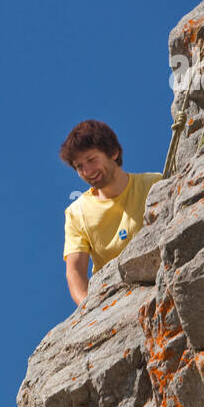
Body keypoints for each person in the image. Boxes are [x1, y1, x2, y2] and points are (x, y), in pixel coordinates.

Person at [59, 119, 162, 306]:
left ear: (113, 152)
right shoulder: (76, 212)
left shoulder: (154, 184)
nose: (87, 171)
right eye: (79, 166)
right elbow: (74, 270)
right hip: (112, 298)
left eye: (91, 160)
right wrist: (88, 309)